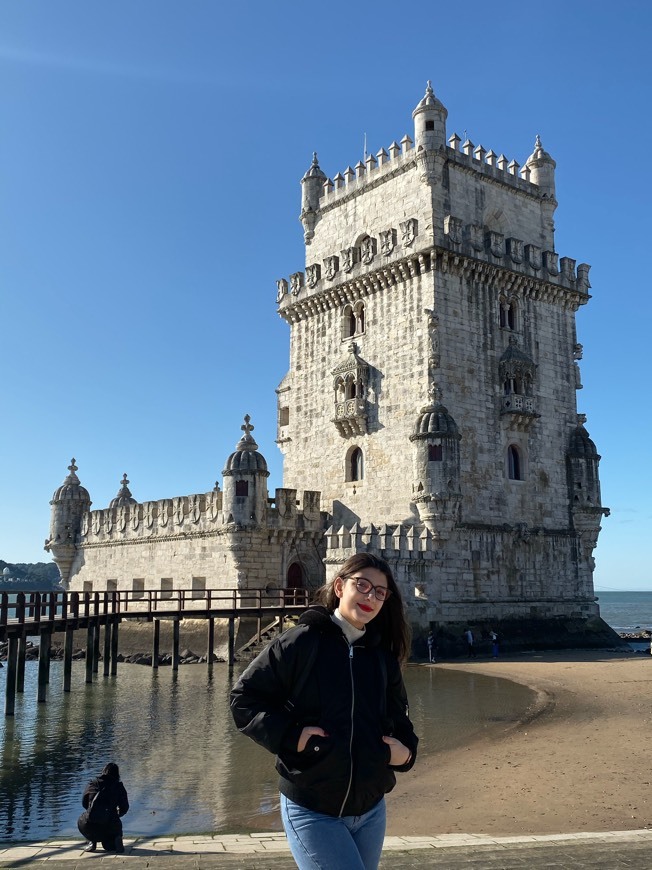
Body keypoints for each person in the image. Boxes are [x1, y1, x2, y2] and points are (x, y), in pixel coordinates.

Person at [230, 553, 418, 870]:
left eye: (380, 592)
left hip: (371, 810)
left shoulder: (381, 657)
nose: (370, 596)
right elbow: (244, 700)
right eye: (363, 585)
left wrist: (404, 754)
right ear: (340, 586)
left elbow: (400, 721)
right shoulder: (302, 641)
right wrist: (293, 737)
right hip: (312, 808)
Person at [77, 762, 129, 853]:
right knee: (110, 842)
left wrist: (95, 812)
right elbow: (124, 808)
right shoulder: (118, 786)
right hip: (110, 826)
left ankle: (92, 841)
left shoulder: (92, 783)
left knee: (82, 819)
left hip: (90, 825)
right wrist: (116, 815)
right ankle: (117, 838)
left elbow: (84, 803)